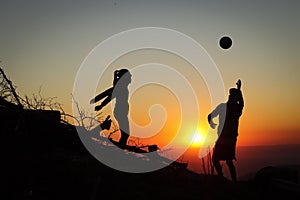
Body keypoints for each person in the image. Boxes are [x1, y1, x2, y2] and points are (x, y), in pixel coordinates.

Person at [207, 79, 244, 182]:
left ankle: (226, 179)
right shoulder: (233, 108)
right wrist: (239, 90)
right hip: (226, 138)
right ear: (231, 97)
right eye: (235, 97)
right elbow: (210, 115)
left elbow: (210, 116)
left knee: (223, 160)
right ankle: (226, 179)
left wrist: (239, 90)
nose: (236, 99)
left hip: (228, 138)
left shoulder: (231, 108)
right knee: (223, 160)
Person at [90, 69, 132, 147]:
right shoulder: (121, 87)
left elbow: (110, 91)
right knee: (126, 133)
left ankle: (121, 147)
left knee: (125, 134)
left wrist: (115, 76)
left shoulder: (121, 86)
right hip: (120, 112)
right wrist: (101, 105)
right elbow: (110, 96)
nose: (131, 77)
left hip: (120, 112)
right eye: (129, 75)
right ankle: (120, 148)